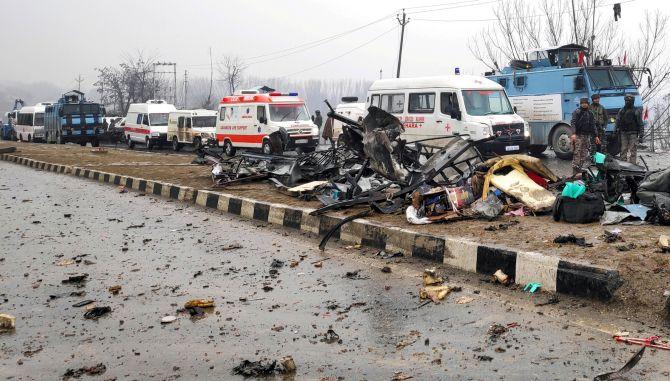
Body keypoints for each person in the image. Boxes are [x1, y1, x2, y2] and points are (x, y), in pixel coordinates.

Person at [570, 97, 598, 175]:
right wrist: (573, 133)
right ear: (580, 104)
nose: (584, 104)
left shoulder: (590, 113)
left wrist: (596, 136)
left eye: (585, 103)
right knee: (577, 153)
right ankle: (574, 173)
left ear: (588, 104)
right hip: (578, 135)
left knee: (584, 154)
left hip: (586, 136)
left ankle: (580, 170)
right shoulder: (577, 112)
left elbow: (593, 125)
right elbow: (573, 123)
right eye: (582, 103)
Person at [616, 94, 644, 165]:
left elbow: (640, 123)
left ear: (632, 101)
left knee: (633, 150)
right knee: (623, 149)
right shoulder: (621, 111)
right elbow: (617, 121)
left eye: (629, 101)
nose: (627, 102)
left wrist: (641, 135)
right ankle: (623, 165)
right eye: (626, 100)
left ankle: (633, 166)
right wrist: (615, 131)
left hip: (633, 133)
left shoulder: (636, 111)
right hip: (623, 133)